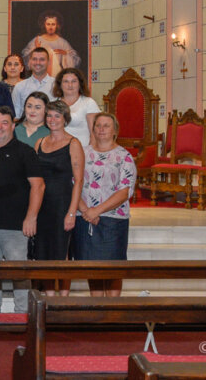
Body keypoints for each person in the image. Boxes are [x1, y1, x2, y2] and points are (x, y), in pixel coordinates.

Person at [0, 107, 44, 313]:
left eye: (5, 122)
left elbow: (38, 186)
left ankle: (23, 317)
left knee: (19, 276)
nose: (0, 127)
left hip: (15, 228)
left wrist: (31, 217)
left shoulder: (25, 152)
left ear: (13, 126)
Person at [75, 113, 137, 296]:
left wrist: (96, 211)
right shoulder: (82, 153)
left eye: (106, 126)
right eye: (98, 125)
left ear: (115, 131)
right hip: (84, 216)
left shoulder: (124, 156)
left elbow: (125, 191)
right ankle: (96, 309)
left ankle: (113, 310)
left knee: (113, 268)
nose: (101, 129)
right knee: (91, 266)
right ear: (93, 129)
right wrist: (86, 210)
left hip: (112, 220)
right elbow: (72, 183)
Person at [33, 100, 84, 295]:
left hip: (62, 204)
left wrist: (72, 212)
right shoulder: (40, 142)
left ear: (65, 119)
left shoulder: (73, 143)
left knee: (62, 253)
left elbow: (78, 181)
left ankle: (63, 299)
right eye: (49, 115)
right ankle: (49, 296)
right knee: (43, 252)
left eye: (57, 116)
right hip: (42, 205)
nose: (52, 119)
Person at [21, 12, 81, 78]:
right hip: (40, 76)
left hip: (57, 76)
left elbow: (75, 59)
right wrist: (36, 50)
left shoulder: (62, 42)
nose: (50, 27)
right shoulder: (38, 40)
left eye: (53, 24)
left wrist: (65, 54)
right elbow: (25, 56)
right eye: (48, 24)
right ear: (44, 25)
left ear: (57, 26)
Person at [54, 67, 100, 146]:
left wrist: (89, 154)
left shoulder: (88, 103)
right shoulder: (54, 104)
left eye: (74, 81)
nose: (70, 85)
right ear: (60, 84)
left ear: (80, 84)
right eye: (66, 81)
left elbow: (95, 135)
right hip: (58, 151)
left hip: (83, 151)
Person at [12, 47, 56, 118]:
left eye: (42, 59)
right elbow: (16, 116)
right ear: (30, 62)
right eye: (34, 59)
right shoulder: (20, 87)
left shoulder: (57, 85)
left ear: (48, 62)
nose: (37, 63)